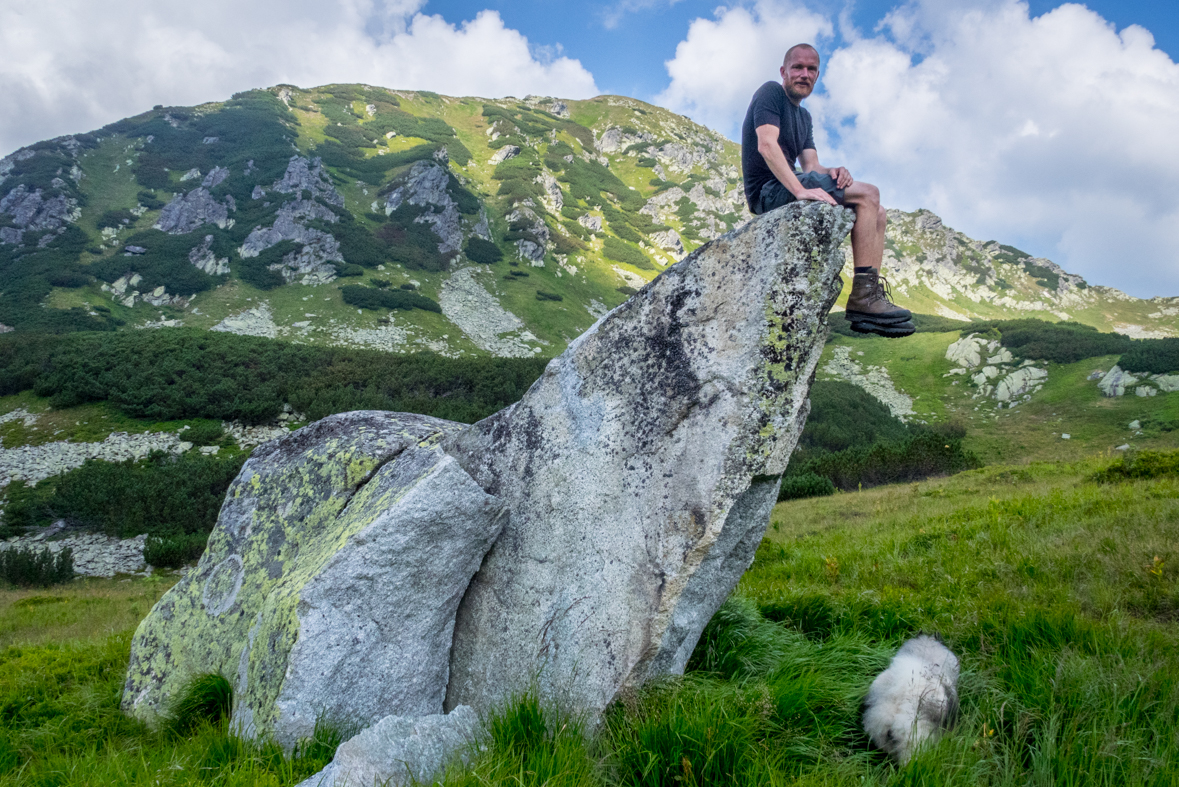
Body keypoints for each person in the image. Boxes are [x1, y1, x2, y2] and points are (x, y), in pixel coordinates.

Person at [742, 43, 914, 337]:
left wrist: (834, 172)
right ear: (784, 71)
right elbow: (766, 145)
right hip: (768, 191)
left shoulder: (804, 117)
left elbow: (812, 166)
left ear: (817, 76)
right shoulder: (770, 93)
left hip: (791, 183)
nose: (804, 74)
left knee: (878, 212)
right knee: (869, 193)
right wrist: (798, 190)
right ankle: (863, 299)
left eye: (811, 69)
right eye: (797, 67)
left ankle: (869, 298)